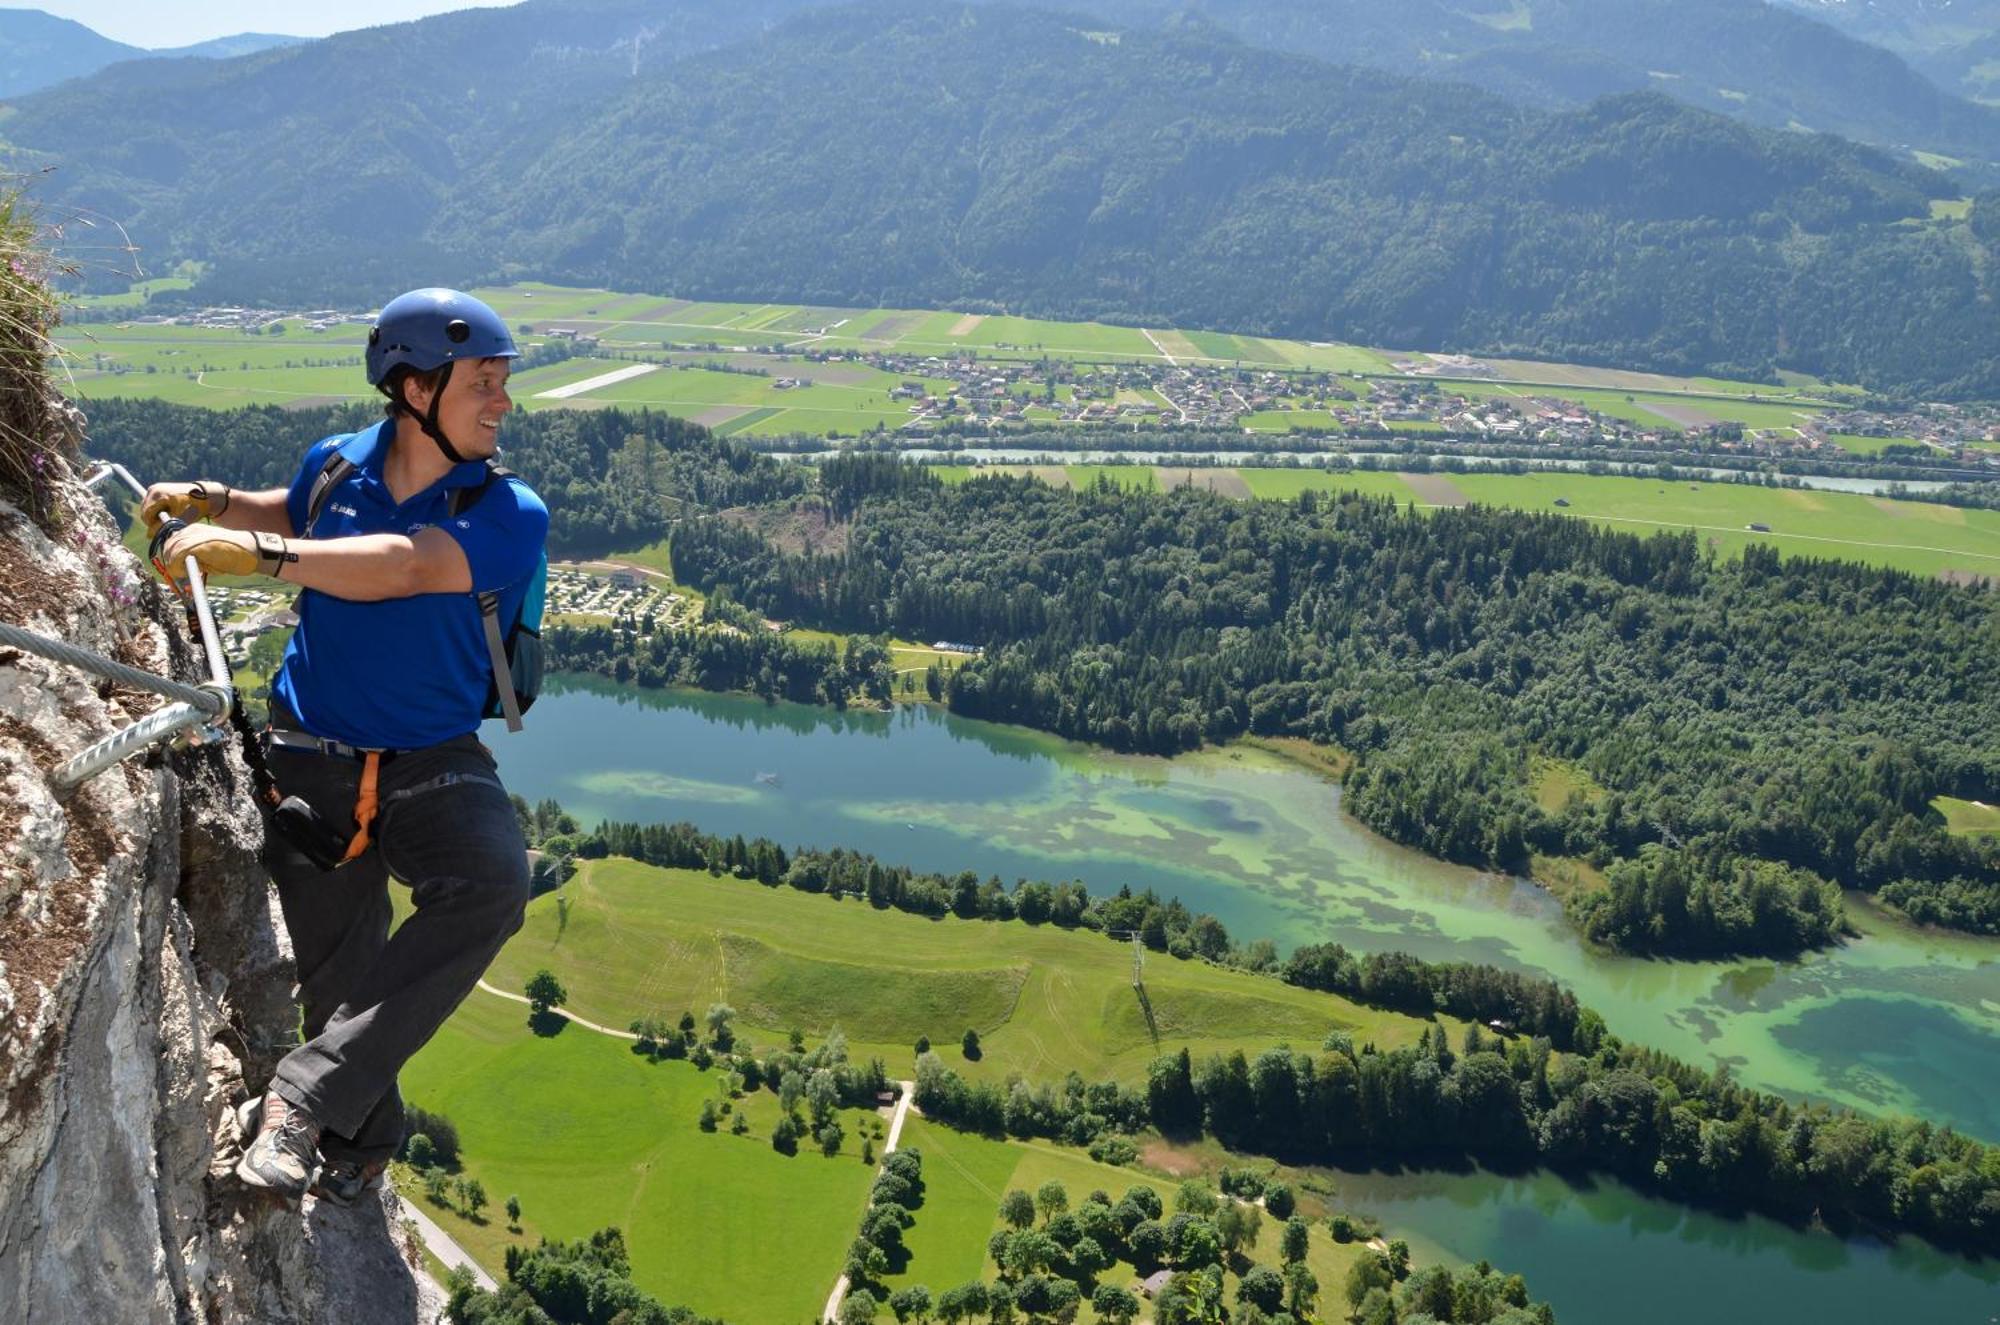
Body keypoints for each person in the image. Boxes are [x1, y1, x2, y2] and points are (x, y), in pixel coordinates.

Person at [142, 288, 547, 1206]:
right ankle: (364, 1142)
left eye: (503, 382)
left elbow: (405, 563)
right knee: (339, 985)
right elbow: (297, 512)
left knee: (492, 880)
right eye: (484, 381)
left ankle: (298, 1101)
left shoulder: (511, 509)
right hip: (312, 753)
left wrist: (256, 555)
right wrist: (216, 501)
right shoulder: (333, 467)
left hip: (432, 755)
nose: (503, 402)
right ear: (414, 388)